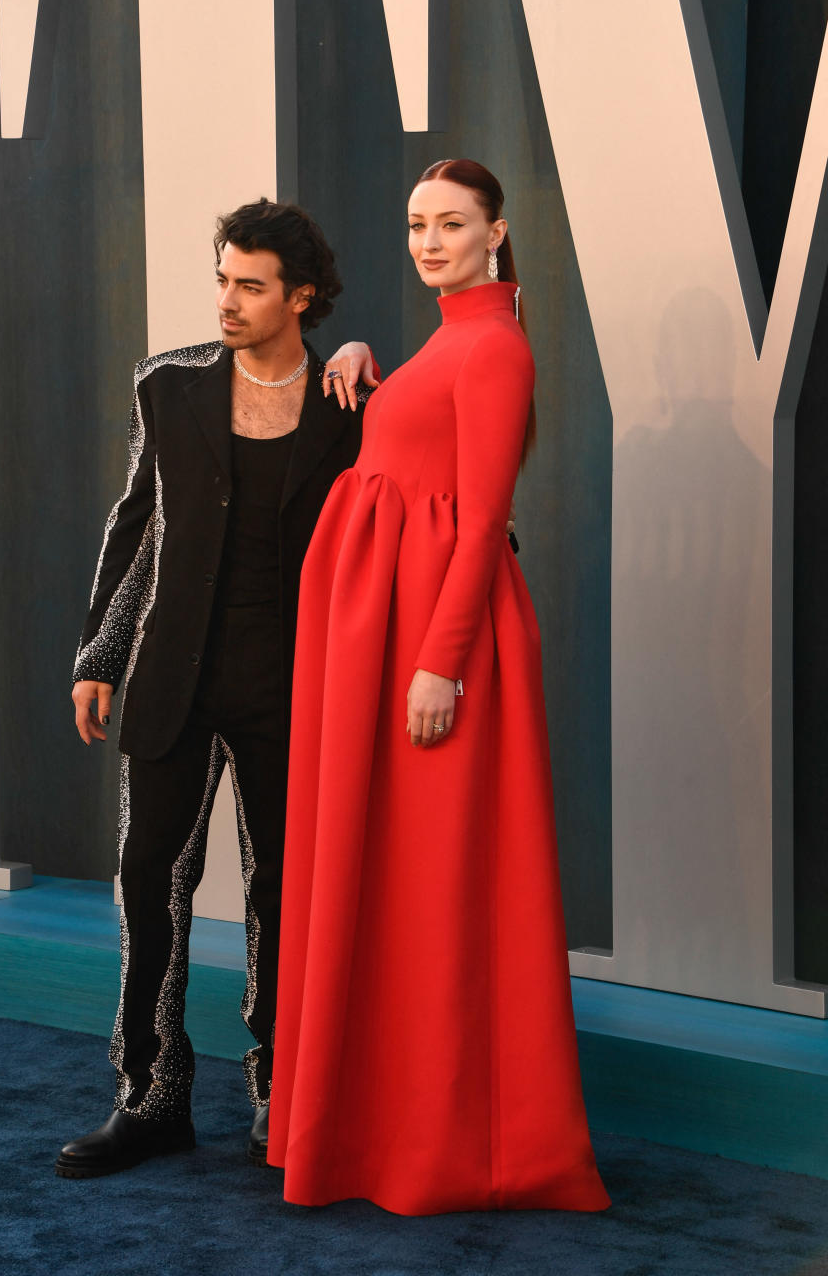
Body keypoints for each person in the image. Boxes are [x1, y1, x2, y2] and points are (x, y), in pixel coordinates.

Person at [267, 159, 610, 1215]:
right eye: (417, 223)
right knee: (395, 883)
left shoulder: (498, 347)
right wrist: (375, 368)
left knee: (433, 889)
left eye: (451, 224)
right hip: (388, 641)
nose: (429, 241)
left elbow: (482, 517)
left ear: (497, 230)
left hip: (429, 648)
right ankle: (377, 1128)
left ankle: (442, 1142)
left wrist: (439, 665)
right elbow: (427, 443)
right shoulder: (456, 336)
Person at [56, 198, 380, 1178]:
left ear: (301, 297)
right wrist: (98, 655)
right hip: (171, 681)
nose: (228, 301)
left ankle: (283, 1094)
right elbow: (136, 524)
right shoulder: (170, 386)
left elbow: (399, 517)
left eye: (251, 285)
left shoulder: (348, 404)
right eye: (223, 280)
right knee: (148, 885)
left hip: (295, 690)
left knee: (282, 898)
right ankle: (150, 1096)